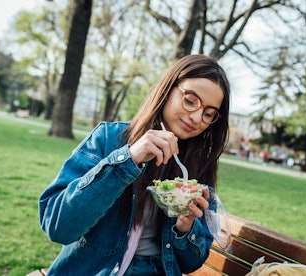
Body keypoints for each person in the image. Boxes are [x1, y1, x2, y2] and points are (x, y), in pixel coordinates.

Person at [38, 54, 231, 276]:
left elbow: (191, 264)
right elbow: (58, 227)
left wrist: (185, 228)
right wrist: (128, 160)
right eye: (190, 100)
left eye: (208, 114)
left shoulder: (198, 165)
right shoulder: (108, 139)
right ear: (167, 90)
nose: (197, 118)